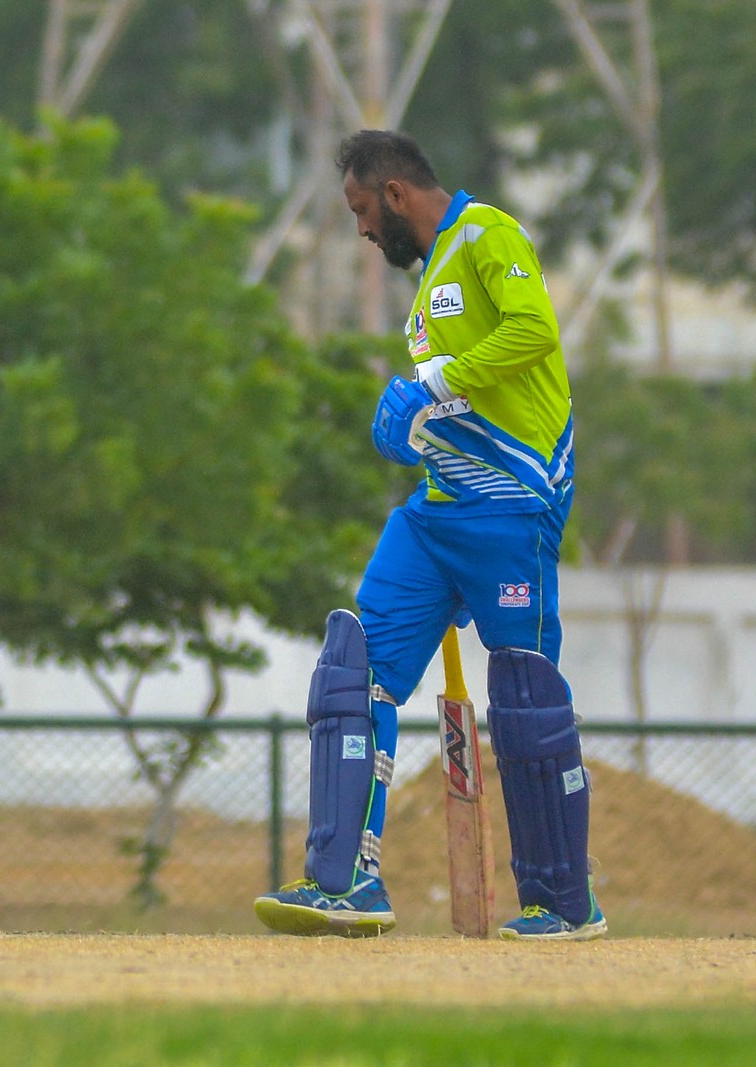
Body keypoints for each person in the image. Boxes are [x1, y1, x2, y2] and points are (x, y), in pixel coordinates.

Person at [254, 129, 605, 941]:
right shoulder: (428, 284)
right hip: (436, 511)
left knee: (524, 696)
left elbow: (533, 331)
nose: (362, 229)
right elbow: (460, 401)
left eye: (361, 210)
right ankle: (345, 882)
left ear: (396, 193)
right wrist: (412, 427)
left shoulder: (487, 234)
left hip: (512, 507)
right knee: (354, 675)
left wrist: (432, 381)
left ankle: (562, 902)